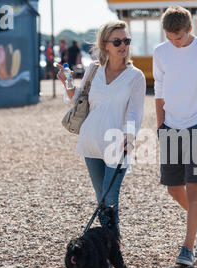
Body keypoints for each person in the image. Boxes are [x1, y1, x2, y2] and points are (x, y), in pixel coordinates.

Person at [57, 21, 146, 234]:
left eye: (126, 40)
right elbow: (76, 100)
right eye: (117, 41)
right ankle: (109, 246)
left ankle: (110, 246)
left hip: (117, 143)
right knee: (101, 199)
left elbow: (135, 113)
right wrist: (67, 83)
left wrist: (129, 138)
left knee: (109, 197)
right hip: (90, 140)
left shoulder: (136, 76)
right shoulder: (94, 69)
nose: (123, 45)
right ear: (105, 44)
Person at [153, 6, 197, 266]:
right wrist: (160, 124)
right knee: (174, 189)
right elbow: (159, 89)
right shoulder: (160, 52)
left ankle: (187, 247)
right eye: (170, 38)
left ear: (189, 29)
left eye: (179, 37)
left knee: (194, 188)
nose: (175, 43)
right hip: (170, 126)